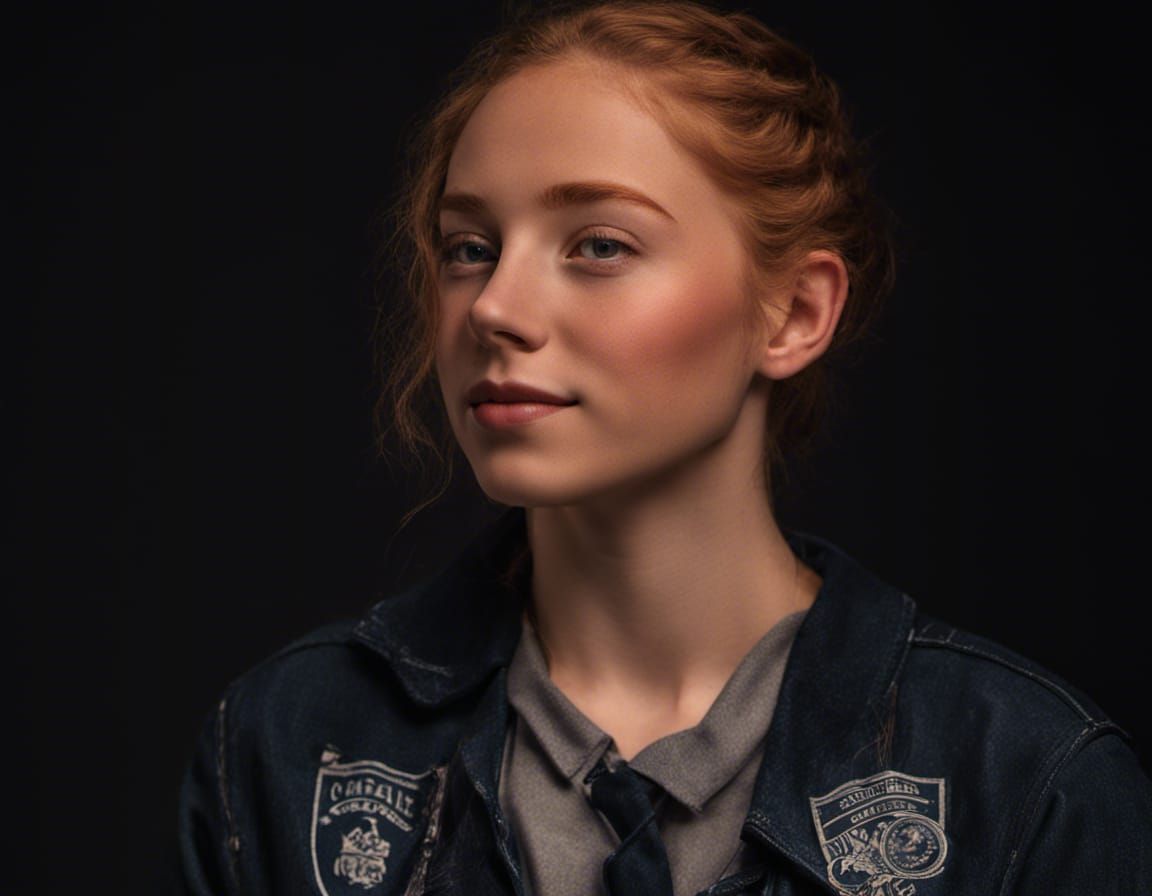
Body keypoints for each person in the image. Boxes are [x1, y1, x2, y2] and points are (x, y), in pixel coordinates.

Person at [175, 2, 1152, 894]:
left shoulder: (1028, 782)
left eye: (599, 243)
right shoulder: (285, 748)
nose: (497, 309)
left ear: (796, 310)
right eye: (470, 245)